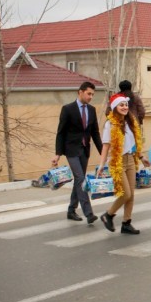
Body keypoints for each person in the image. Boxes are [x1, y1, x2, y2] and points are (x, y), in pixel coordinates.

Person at [97, 93, 151, 234]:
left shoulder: (131, 122)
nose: (125, 107)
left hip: (131, 159)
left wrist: (141, 157)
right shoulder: (110, 124)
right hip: (117, 161)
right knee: (125, 193)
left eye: (126, 105)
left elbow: (134, 144)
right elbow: (106, 146)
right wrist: (102, 164)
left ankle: (126, 223)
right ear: (115, 107)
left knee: (131, 194)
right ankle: (108, 215)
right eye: (121, 105)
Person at [52, 81, 103, 223]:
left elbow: (95, 133)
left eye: (93, 94)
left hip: (85, 150)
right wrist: (58, 153)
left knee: (78, 180)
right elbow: (60, 133)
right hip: (71, 150)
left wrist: (102, 152)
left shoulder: (92, 110)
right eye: (89, 93)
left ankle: (71, 210)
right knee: (81, 179)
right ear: (80, 92)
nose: (91, 97)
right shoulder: (68, 109)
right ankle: (88, 213)